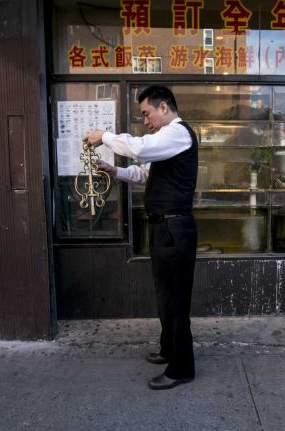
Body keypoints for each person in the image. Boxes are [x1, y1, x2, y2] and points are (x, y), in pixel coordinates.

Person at [83, 85, 198, 390]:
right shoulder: (165, 143)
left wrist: (104, 137)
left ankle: (182, 368)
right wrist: (114, 170)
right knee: (164, 295)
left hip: (175, 228)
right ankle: (169, 350)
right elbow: (143, 172)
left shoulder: (177, 133)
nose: (145, 120)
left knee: (175, 300)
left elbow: (139, 148)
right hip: (163, 228)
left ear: (164, 108)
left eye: (147, 113)